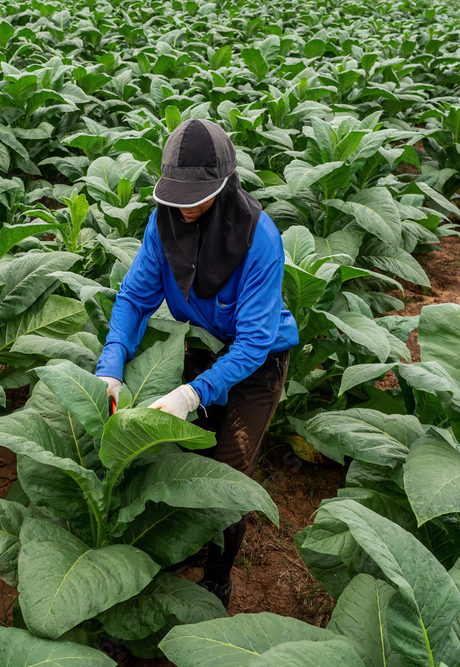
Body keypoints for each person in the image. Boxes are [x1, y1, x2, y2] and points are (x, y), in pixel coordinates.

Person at [95, 118, 299, 608]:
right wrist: (112, 362)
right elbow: (133, 298)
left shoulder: (259, 238)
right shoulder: (163, 222)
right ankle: (183, 544)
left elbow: (252, 344)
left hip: (258, 362)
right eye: (176, 197)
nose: (185, 208)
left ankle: (218, 577)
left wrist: (192, 394)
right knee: (186, 461)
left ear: (226, 184)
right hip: (205, 346)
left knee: (227, 475)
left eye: (197, 196)